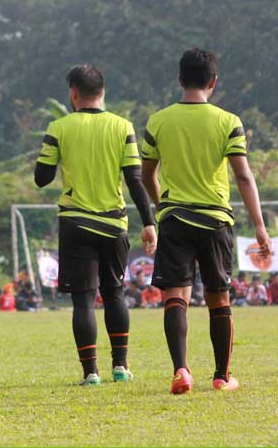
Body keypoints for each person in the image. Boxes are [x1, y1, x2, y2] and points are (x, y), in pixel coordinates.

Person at [141, 48, 271, 394]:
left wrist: (162, 204)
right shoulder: (228, 121)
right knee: (219, 298)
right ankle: (221, 377)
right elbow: (243, 177)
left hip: (175, 219)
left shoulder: (158, 121)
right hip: (215, 220)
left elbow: (146, 175)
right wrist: (259, 225)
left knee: (175, 296)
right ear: (213, 81)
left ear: (180, 79)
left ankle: (181, 370)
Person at [35, 64, 156, 386]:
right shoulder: (122, 126)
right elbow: (134, 179)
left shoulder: (59, 127)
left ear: (73, 93)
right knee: (114, 293)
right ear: (102, 93)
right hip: (114, 224)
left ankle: (90, 372)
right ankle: (120, 366)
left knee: (83, 300)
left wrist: (58, 153)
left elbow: (42, 178)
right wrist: (149, 222)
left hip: (75, 223)